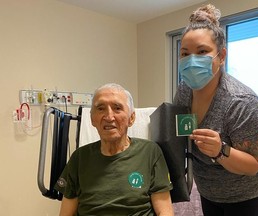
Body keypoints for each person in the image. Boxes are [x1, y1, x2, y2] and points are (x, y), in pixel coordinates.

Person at [173, 4, 258, 216]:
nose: (191, 60)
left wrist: (220, 150)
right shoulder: (183, 92)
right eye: (184, 53)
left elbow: (254, 165)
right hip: (208, 191)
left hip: (245, 195)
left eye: (202, 51)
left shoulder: (242, 102)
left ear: (222, 55)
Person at [55, 83, 174, 216]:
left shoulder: (150, 152)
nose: (109, 117)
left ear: (131, 118)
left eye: (117, 108)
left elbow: (165, 211)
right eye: (101, 108)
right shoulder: (79, 158)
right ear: (92, 119)